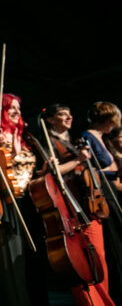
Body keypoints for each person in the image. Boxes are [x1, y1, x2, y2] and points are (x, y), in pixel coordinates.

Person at [43, 103, 116, 306]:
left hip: (89, 204)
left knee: (99, 259)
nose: (69, 117)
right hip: (72, 207)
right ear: (50, 120)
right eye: (62, 114)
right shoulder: (50, 143)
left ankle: (103, 301)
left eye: (70, 113)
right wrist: (78, 160)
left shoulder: (74, 142)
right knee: (85, 263)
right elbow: (53, 176)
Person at [0, 94, 49, 306]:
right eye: (10, 108)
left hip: (31, 203)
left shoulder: (26, 139)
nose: (16, 112)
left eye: (18, 108)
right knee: (12, 264)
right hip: (8, 202)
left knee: (34, 260)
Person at [82, 102, 122, 305]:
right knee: (114, 243)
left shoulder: (102, 138)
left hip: (112, 191)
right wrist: (114, 172)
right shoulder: (88, 137)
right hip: (103, 194)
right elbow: (88, 169)